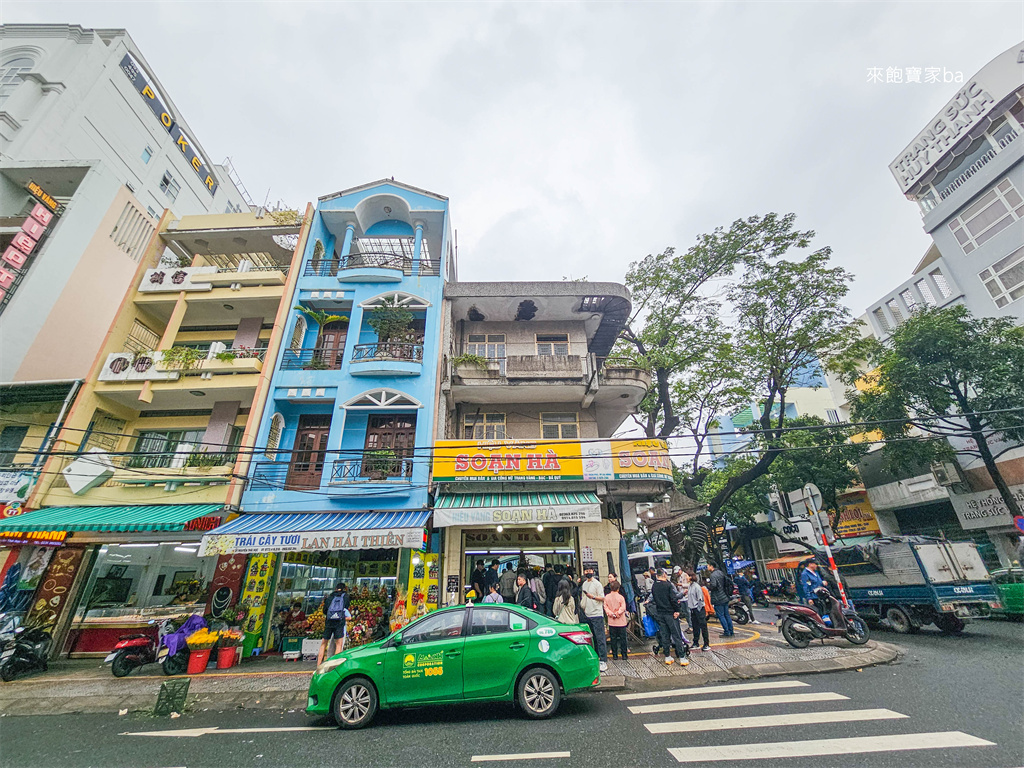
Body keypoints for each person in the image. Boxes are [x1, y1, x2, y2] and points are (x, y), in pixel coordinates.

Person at [650, 568, 689, 665]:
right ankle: (682, 657)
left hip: (660, 613)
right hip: (670, 613)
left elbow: (654, 599)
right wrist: (677, 610)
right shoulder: (668, 585)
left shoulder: (654, 586)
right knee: (676, 635)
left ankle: (667, 656)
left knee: (665, 635)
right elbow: (673, 599)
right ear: (663, 575)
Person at [579, 567, 609, 672]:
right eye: (586, 571)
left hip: (597, 614)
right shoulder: (584, 584)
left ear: (593, 571)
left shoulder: (597, 584)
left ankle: (603, 660)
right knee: (592, 638)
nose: (588, 573)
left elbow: (603, 598)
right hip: (588, 614)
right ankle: (596, 657)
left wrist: (593, 597)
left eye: (590, 571)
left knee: (600, 637)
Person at [318, 583, 348, 665]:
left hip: (329, 621)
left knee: (323, 643)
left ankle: (318, 665)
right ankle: (335, 665)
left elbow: (324, 610)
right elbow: (346, 608)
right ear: (344, 588)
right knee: (338, 644)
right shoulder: (345, 596)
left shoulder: (330, 596)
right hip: (339, 622)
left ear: (335, 588)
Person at [685, 568, 710, 651]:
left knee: (703, 626)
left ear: (691, 576)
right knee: (695, 626)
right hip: (693, 609)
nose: (685, 578)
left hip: (698, 609)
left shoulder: (696, 586)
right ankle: (696, 642)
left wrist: (698, 609)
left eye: (686, 576)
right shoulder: (690, 586)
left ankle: (706, 643)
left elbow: (700, 599)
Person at [707, 563, 734, 637]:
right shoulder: (720, 572)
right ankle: (731, 631)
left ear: (711, 566)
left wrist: (708, 586)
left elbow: (713, 585)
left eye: (708, 565)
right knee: (727, 615)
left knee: (721, 615)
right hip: (725, 596)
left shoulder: (713, 575)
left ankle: (726, 632)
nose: (707, 567)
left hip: (718, 598)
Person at [604, 582, 629, 660]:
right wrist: (617, 613)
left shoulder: (607, 597)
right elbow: (623, 607)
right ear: (618, 589)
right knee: (623, 638)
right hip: (621, 621)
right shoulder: (621, 597)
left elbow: (606, 607)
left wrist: (611, 614)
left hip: (612, 621)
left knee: (613, 638)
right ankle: (624, 654)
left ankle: (615, 655)